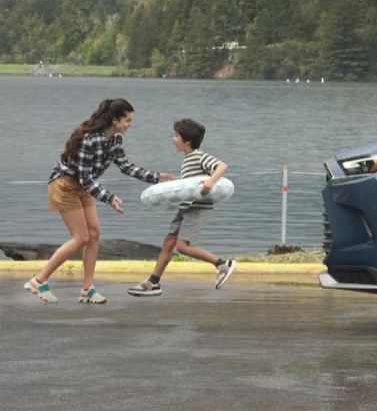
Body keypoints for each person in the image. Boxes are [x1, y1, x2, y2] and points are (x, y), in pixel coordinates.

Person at [25, 99, 174, 304]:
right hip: (65, 185)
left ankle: (88, 289)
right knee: (80, 237)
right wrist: (109, 197)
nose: (130, 124)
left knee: (94, 234)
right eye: (127, 120)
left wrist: (158, 177)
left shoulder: (115, 140)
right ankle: (39, 280)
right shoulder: (90, 139)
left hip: (83, 185)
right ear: (115, 120)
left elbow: (126, 167)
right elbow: (86, 178)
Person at [127, 119, 236, 296]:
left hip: (198, 208)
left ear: (188, 141)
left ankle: (223, 264)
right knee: (168, 243)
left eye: (176, 136)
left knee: (182, 247)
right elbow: (189, 186)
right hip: (185, 208)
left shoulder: (200, 155)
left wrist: (210, 182)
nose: (173, 139)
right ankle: (153, 282)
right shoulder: (187, 159)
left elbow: (222, 166)